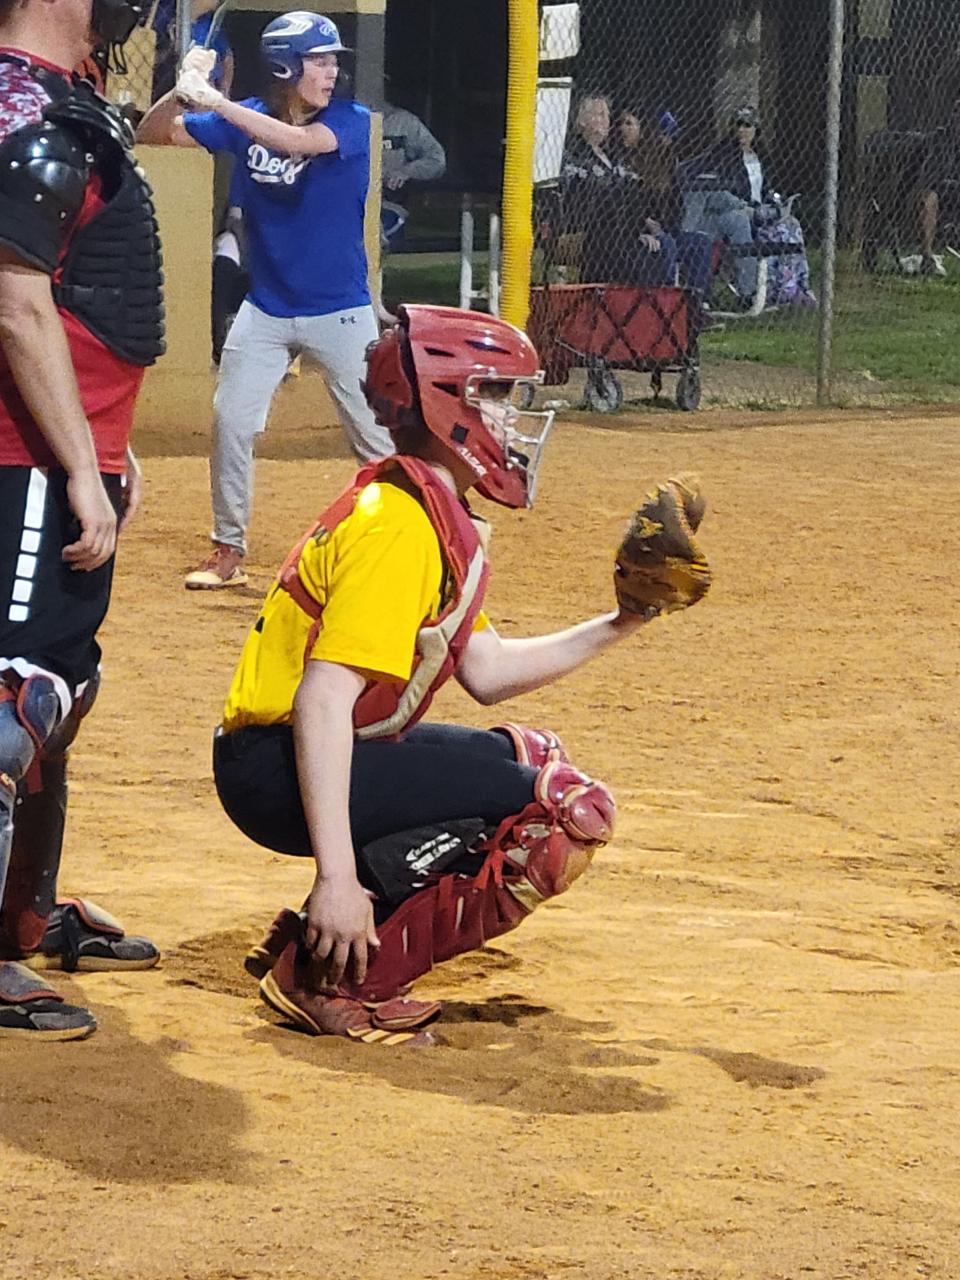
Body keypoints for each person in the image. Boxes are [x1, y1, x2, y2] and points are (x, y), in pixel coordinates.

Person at [211, 303, 705, 1046]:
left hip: (288, 752)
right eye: (497, 395)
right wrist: (336, 878)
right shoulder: (398, 525)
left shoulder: (420, 506)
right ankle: (337, 976)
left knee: (531, 761)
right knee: (563, 813)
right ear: (448, 405)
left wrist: (624, 620)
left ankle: (316, 946)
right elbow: (321, 699)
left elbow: (488, 670)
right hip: (276, 764)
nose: (511, 418)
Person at [0, 0, 165, 1039]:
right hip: (20, 461)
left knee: (65, 689)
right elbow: (14, 301)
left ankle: (22, 909)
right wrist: (74, 462)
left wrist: (106, 446)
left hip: (62, 449)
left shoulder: (64, 100)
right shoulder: (25, 105)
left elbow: (65, 300)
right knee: (13, 697)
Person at [138, 11, 394, 591]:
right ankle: (228, 549)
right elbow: (154, 133)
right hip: (268, 308)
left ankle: (419, 536)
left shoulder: (350, 123)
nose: (331, 72)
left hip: (341, 309)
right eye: (319, 61)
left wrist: (219, 104)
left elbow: (300, 142)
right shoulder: (248, 116)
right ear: (286, 66)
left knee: (376, 436)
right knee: (231, 419)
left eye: (333, 60)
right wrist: (181, 90)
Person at [560, 93, 678, 286]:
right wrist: (634, 230)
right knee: (638, 250)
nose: (604, 120)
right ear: (581, 121)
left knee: (665, 243)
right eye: (598, 114)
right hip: (591, 228)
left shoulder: (614, 154)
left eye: (606, 115)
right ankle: (635, 301)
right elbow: (590, 195)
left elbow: (634, 193)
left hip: (625, 226)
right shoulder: (572, 154)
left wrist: (643, 223)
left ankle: (660, 302)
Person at [379, 98, 446, 252]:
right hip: (344, 206)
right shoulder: (336, 118)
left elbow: (436, 159)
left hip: (388, 206)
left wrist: (407, 171)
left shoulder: (403, 122)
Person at [151, 0, 234, 103]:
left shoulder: (209, 21)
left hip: (206, 85)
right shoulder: (165, 13)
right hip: (165, 80)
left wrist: (224, 91)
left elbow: (227, 57)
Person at [919, 93, 960, 274]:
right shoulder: (940, 139)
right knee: (929, 199)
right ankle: (927, 256)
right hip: (942, 188)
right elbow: (931, 175)